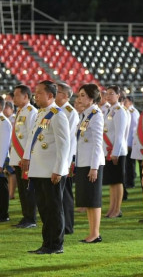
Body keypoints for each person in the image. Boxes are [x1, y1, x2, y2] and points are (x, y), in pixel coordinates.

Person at [22, 80, 70, 254]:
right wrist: (27, 158)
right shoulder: (41, 113)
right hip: (39, 170)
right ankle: (46, 243)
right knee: (44, 209)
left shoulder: (57, 115)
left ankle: (56, 245)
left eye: (39, 92)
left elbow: (64, 145)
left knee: (54, 209)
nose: (36, 95)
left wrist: (58, 169)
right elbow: (32, 138)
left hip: (51, 171)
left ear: (50, 95)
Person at [75, 84, 105, 243]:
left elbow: (97, 143)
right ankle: (92, 232)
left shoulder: (96, 115)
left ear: (91, 98)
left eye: (82, 95)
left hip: (92, 163)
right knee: (87, 199)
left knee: (93, 199)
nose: (79, 98)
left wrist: (94, 167)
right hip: (83, 161)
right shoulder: (86, 115)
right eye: (79, 95)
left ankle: (95, 233)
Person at [10, 84, 38, 228]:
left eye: (16, 95)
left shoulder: (31, 112)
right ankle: (25, 216)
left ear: (26, 96)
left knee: (28, 190)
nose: (14, 98)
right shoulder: (21, 111)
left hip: (25, 157)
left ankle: (31, 218)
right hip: (18, 156)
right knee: (21, 190)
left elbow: (31, 137)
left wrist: (26, 156)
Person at [55, 82, 80, 235]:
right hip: (58, 158)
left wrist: (67, 162)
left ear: (64, 95)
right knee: (59, 195)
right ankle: (61, 224)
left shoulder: (70, 112)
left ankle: (68, 226)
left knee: (66, 194)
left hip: (66, 159)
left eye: (57, 92)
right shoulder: (57, 111)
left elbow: (69, 140)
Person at [103, 85, 128, 218]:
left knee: (117, 181)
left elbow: (120, 133)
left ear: (118, 95)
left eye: (111, 93)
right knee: (112, 182)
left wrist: (115, 152)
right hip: (109, 150)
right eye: (107, 93)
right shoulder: (109, 110)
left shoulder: (120, 111)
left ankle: (117, 209)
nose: (108, 96)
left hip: (116, 151)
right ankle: (112, 207)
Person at [124, 95, 139, 188]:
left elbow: (133, 130)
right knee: (128, 164)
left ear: (130, 102)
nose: (124, 103)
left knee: (130, 164)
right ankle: (129, 180)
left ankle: (130, 182)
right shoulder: (127, 111)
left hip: (130, 143)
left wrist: (129, 143)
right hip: (128, 142)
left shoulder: (133, 112)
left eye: (126, 101)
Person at [3, 100, 18, 200]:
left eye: (6, 108)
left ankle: (11, 193)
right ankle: (8, 191)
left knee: (12, 172)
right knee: (7, 172)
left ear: (12, 109)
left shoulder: (14, 119)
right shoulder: (3, 119)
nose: (4, 110)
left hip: (13, 148)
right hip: (6, 148)